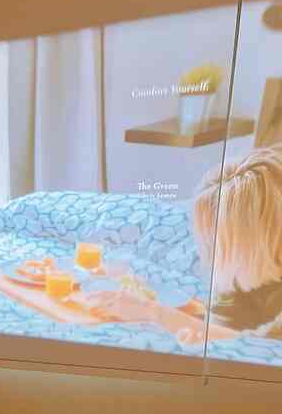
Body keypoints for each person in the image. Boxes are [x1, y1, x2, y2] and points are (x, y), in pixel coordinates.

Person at [85, 146, 282, 345]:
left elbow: (262, 346)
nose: (214, 252)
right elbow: (222, 322)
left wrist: (152, 312)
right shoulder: (241, 277)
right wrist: (152, 305)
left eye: (220, 241)